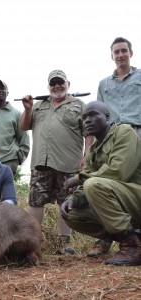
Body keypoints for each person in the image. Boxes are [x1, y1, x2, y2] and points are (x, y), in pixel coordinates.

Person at [19, 70, 94, 254]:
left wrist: (87, 155)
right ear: (48, 86)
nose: (57, 86)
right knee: (36, 201)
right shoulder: (37, 105)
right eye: (53, 83)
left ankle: (64, 243)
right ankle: (32, 241)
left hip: (68, 163)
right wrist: (27, 108)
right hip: (40, 163)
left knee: (66, 201)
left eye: (60, 82)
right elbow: (23, 126)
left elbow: (89, 133)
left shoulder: (79, 105)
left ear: (68, 83)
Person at [61, 101, 141, 266]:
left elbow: (118, 172)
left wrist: (77, 178)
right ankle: (131, 237)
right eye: (84, 117)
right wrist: (73, 199)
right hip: (121, 203)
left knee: (94, 185)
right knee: (72, 214)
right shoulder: (92, 151)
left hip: (135, 197)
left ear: (107, 116)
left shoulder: (124, 132)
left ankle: (133, 247)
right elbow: (86, 186)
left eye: (93, 115)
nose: (87, 120)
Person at [92, 37, 141, 257]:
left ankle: (134, 238)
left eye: (124, 51)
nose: (120, 55)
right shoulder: (104, 84)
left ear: (131, 52)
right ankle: (104, 240)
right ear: (111, 56)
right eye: (116, 52)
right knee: (106, 181)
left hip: (138, 133)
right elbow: (96, 115)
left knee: (133, 184)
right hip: (112, 137)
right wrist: (90, 150)